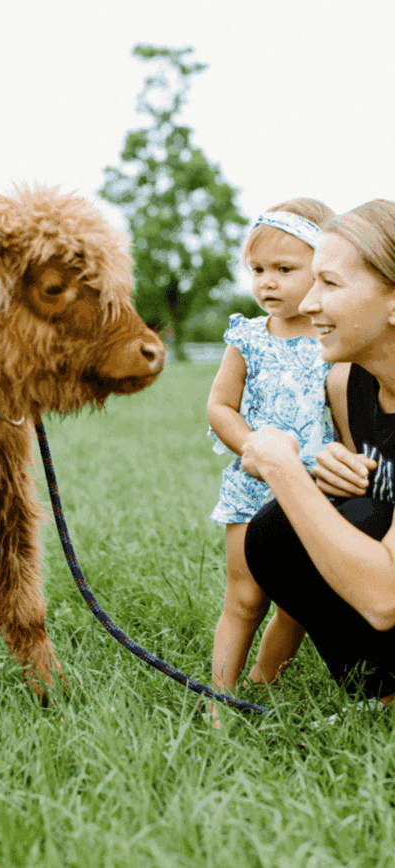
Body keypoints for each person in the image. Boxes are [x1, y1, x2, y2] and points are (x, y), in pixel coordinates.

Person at [242, 199, 395, 709]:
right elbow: (371, 510)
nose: (308, 305)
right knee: (275, 533)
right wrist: (333, 474)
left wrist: (282, 466)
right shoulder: (347, 385)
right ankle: (381, 693)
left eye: (329, 284)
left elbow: (385, 598)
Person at [207, 199, 336, 712]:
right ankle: (219, 699)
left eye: (285, 270)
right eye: (258, 270)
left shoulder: (334, 338)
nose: (268, 283)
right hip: (253, 485)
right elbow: (220, 405)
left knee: (296, 604)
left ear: (323, 269)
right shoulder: (248, 337)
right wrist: (250, 447)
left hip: (314, 492)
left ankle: (262, 688)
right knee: (243, 599)